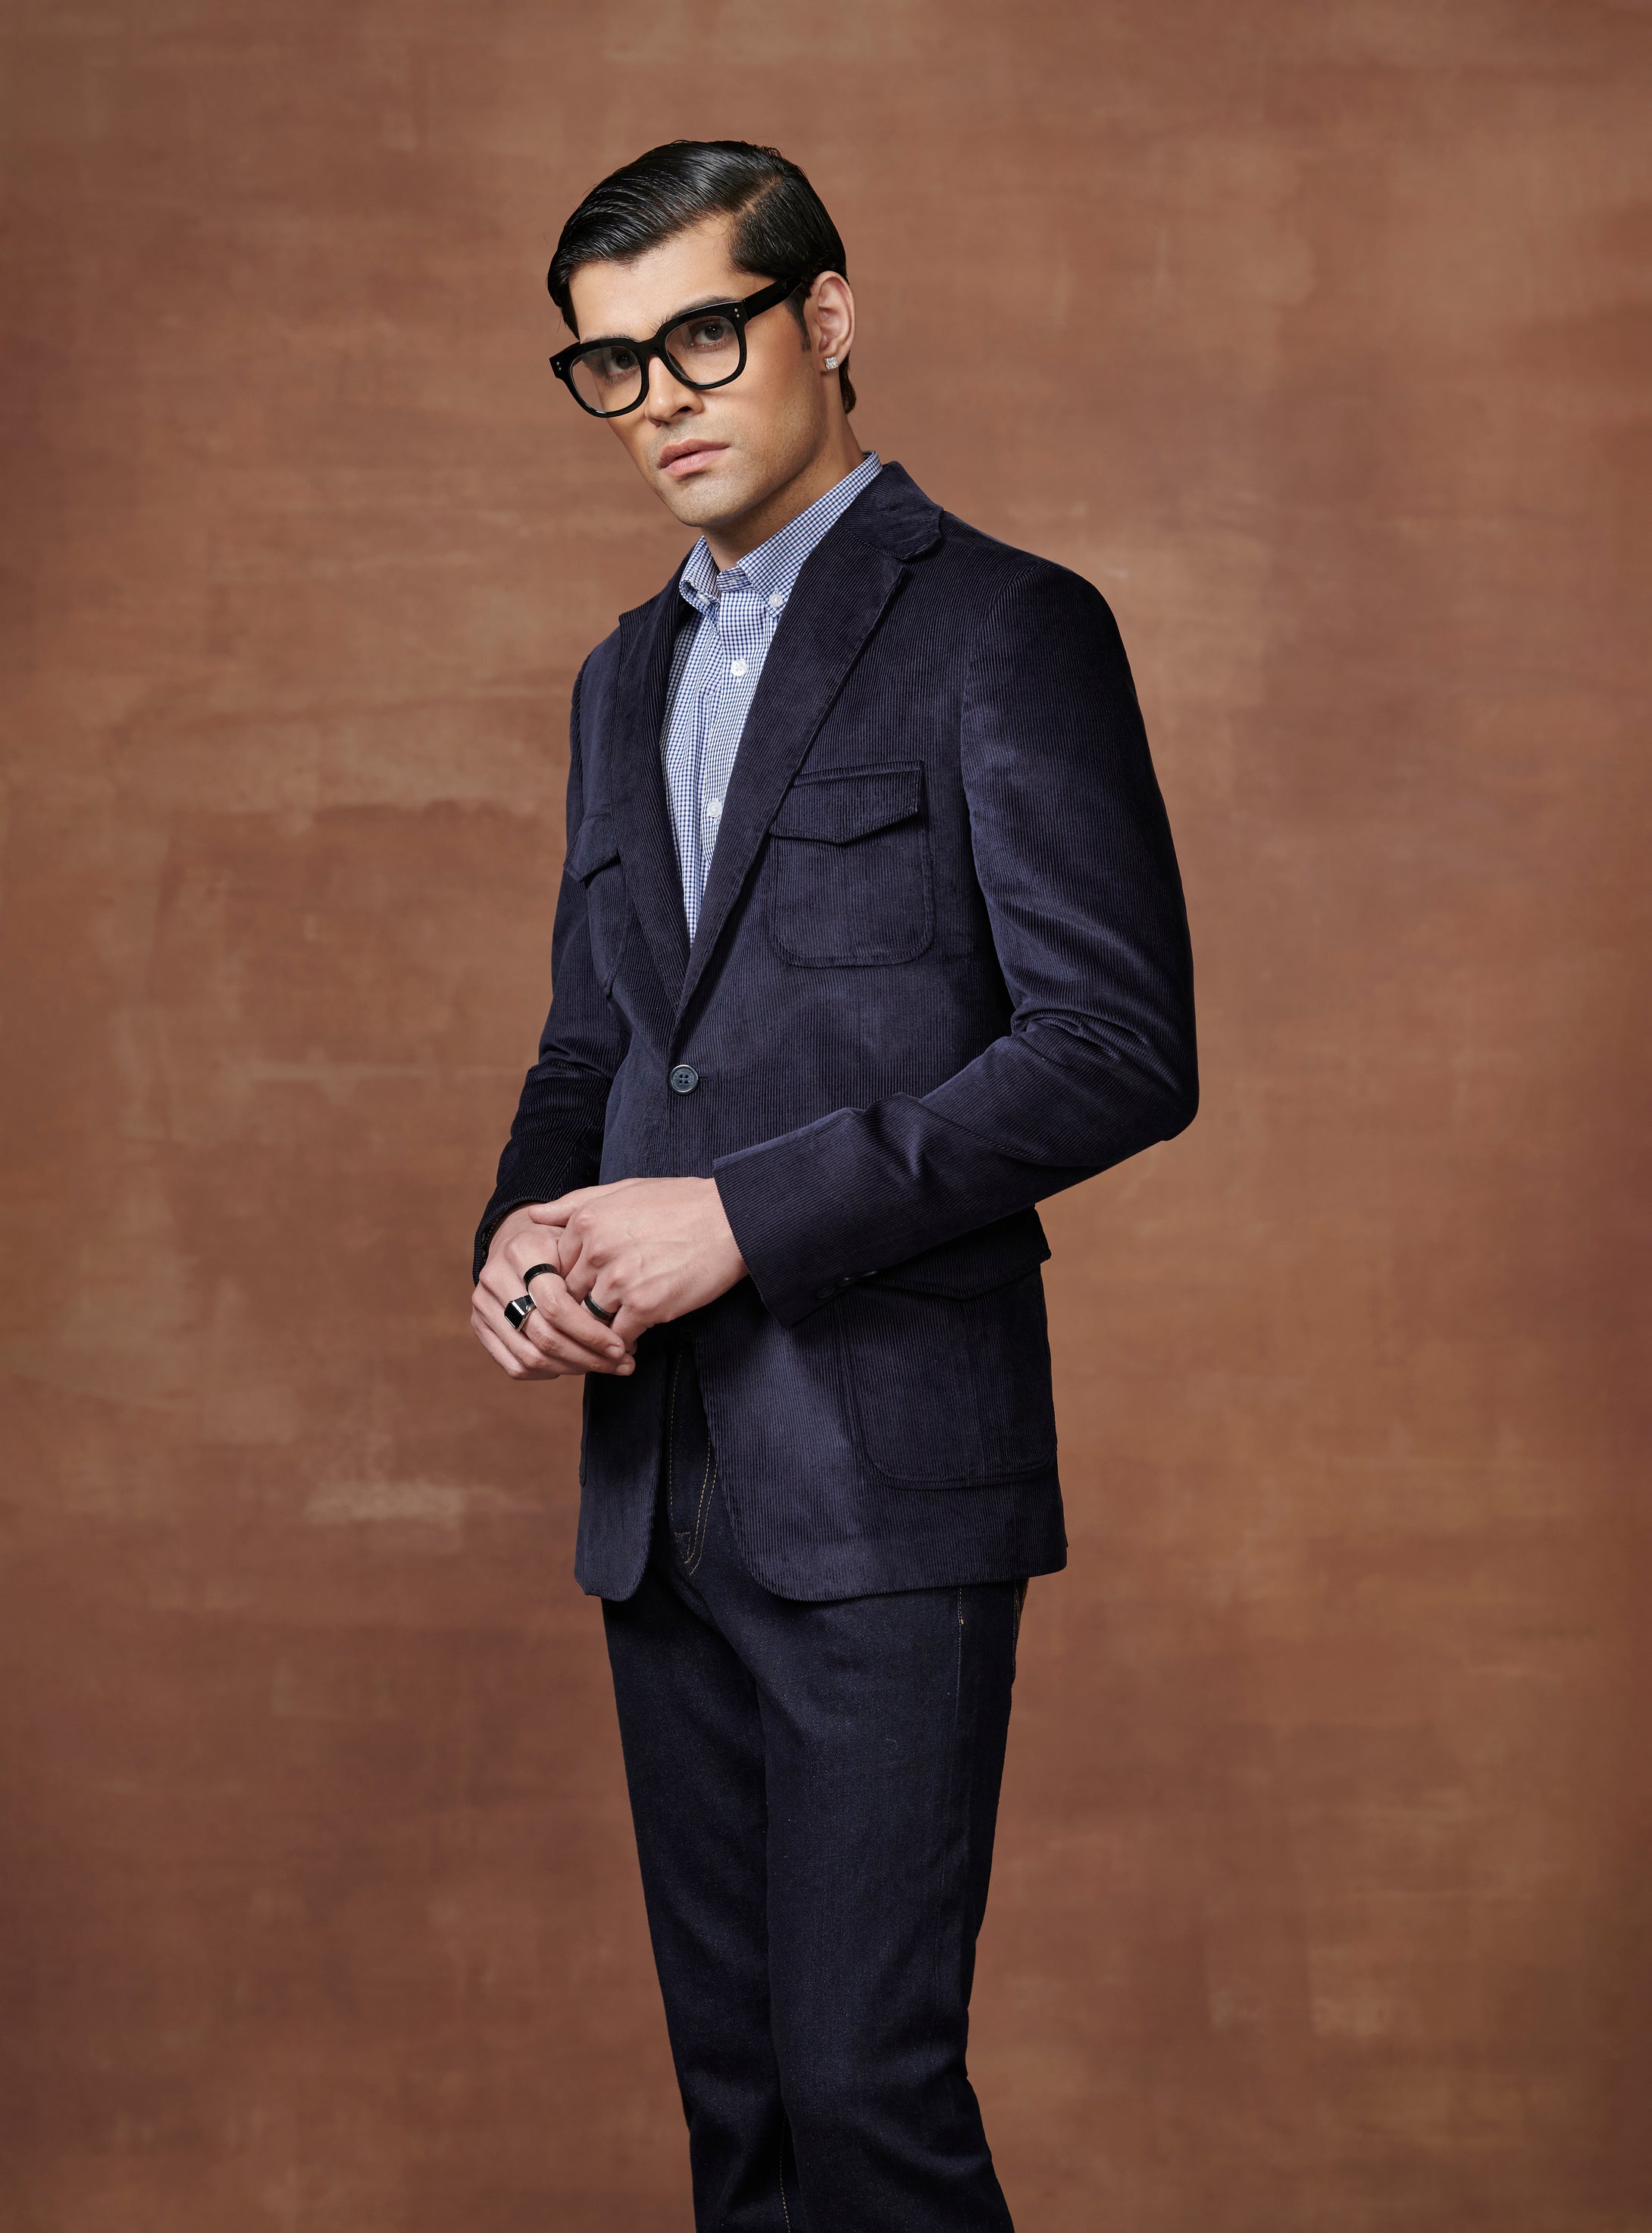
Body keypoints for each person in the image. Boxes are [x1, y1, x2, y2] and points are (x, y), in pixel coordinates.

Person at [469, 138, 1197, 2233]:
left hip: (887, 1477)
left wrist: (739, 1216)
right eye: (611, 363)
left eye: (704, 334)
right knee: (747, 2124)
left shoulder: (1002, 627)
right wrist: (518, 1236)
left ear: (828, 316)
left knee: (866, 2099)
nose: (661, 399)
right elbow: (593, 1050)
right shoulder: (618, 677)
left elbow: (1115, 1048)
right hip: (655, 1486)